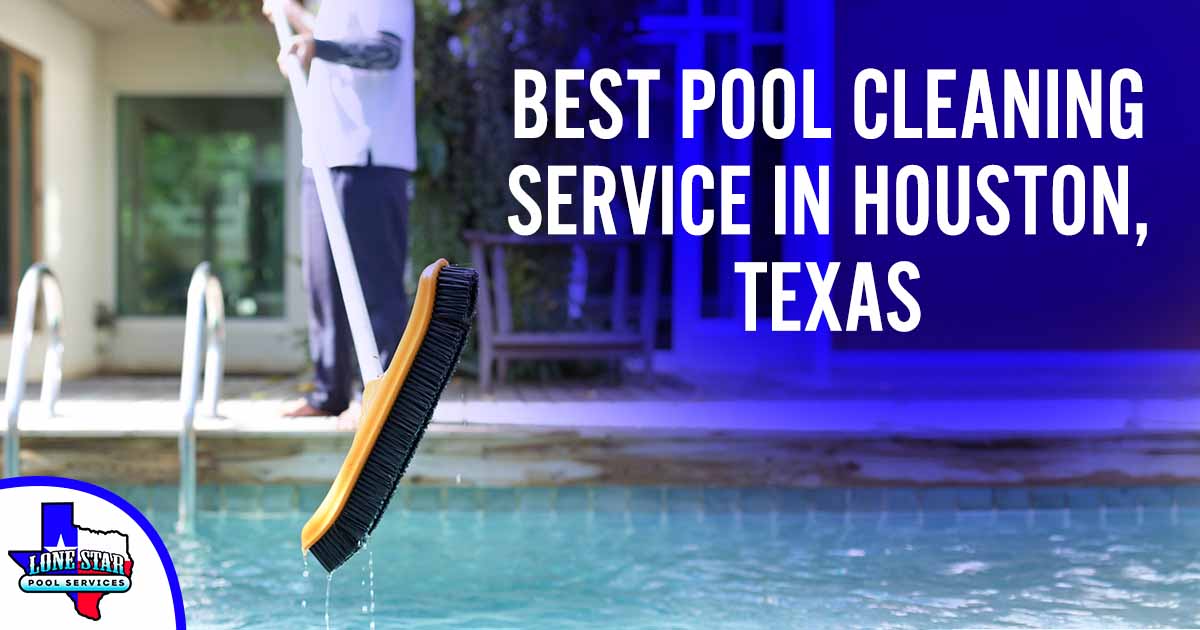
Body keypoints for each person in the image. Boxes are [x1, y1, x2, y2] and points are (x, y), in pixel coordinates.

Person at [264, 0, 416, 417]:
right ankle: (329, 394)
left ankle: (390, 406)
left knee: (376, 289)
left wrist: (318, 46)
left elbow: (386, 52)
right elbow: (337, 39)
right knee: (322, 282)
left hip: (370, 156)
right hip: (323, 154)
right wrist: (297, 19)